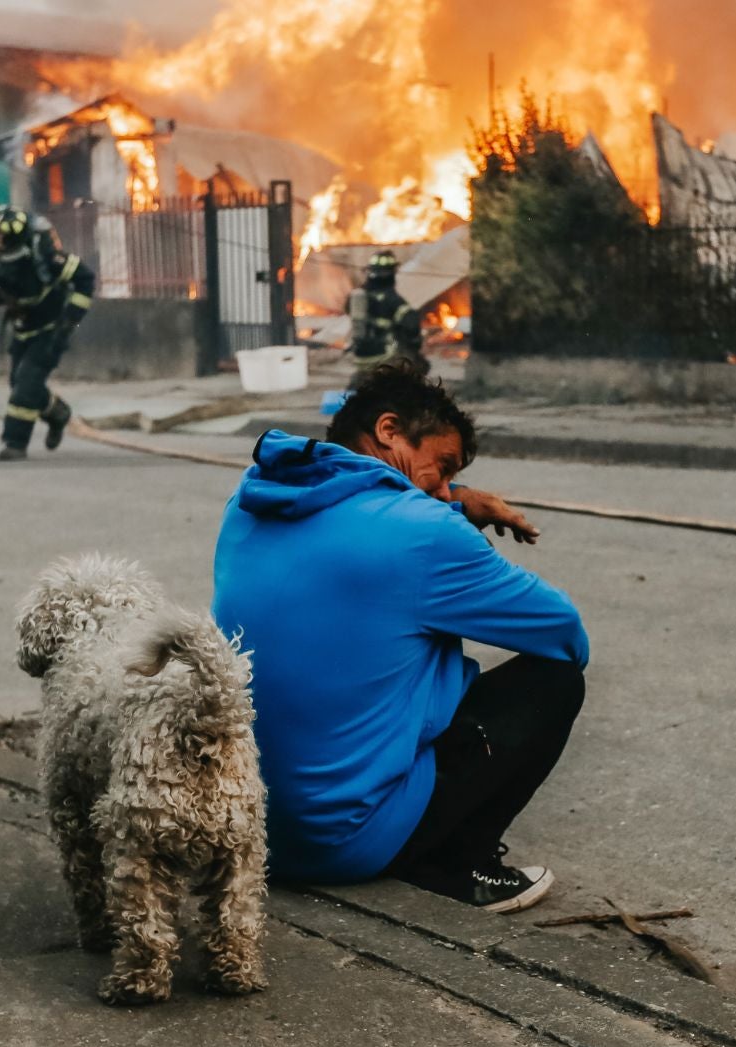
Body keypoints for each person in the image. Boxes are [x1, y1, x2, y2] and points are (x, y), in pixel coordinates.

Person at [210, 364, 587, 913]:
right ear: (389, 430)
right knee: (553, 683)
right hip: (340, 845)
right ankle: (459, 865)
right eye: (442, 467)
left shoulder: (249, 502)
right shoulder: (423, 532)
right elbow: (564, 634)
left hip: (245, 830)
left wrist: (453, 501)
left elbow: (355, 539)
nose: (440, 487)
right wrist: (450, 519)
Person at [0, 206, 96, 462]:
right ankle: (58, 413)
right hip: (23, 327)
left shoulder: (45, 256)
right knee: (20, 384)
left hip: (52, 328)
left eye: (4, 238)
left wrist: (69, 324)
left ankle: (15, 443)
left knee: (26, 384)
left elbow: (85, 279)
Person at [346, 251, 428, 379]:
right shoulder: (393, 300)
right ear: (392, 273)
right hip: (385, 355)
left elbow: (349, 312)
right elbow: (412, 325)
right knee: (421, 365)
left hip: (359, 356)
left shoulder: (357, 297)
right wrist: (413, 344)